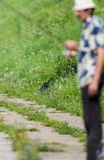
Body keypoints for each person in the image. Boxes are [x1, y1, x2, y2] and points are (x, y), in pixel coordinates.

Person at [64, 0, 104, 160]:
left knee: (92, 119)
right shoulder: (87, 25)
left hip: (91, 77)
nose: (76, 13)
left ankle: (94, 154)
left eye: (78, 10)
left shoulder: (95, 24)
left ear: (87, 10)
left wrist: (95, 81)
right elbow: (91, 50)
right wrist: (76, 50)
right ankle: (98, 151)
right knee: (88, 119)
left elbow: (102, 53)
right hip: (85, 78)